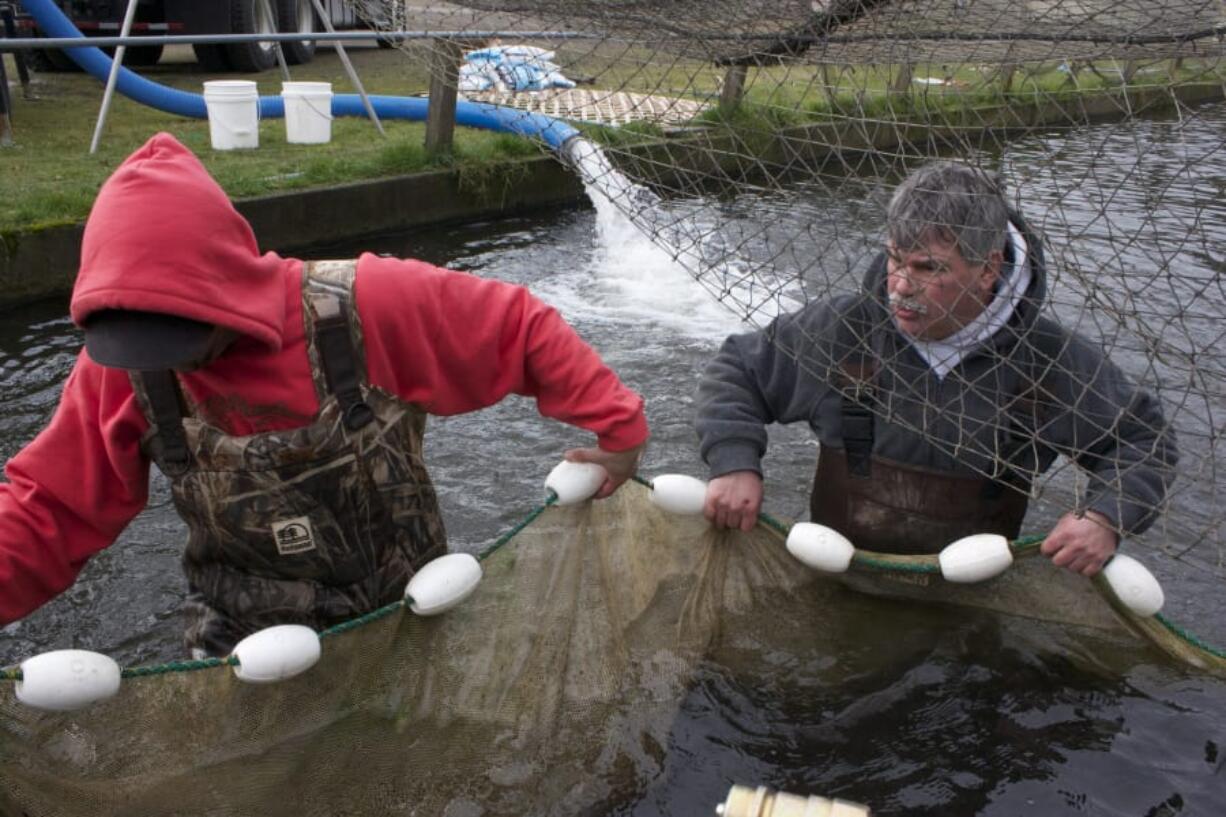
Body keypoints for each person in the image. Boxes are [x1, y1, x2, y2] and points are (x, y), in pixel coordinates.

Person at [0, 133, 649, 656]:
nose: (157, 360)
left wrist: (618, 430)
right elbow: (47, 508)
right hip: (244, 645)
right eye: (134, 340)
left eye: (175, 335)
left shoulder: (364, 306)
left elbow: (516, 325)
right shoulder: (125, 363)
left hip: (403, 613)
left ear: (222, 288)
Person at [695, 161, 1176, 575]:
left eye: (928, 268)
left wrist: (1104, 518)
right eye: (893, 259)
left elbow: (1143, 440)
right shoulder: (843, 328)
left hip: (973, 600)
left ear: (988, 268)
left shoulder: (1051, 360)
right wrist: (734, 461)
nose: (900, 286)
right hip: (835, 574)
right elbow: (737, 369)